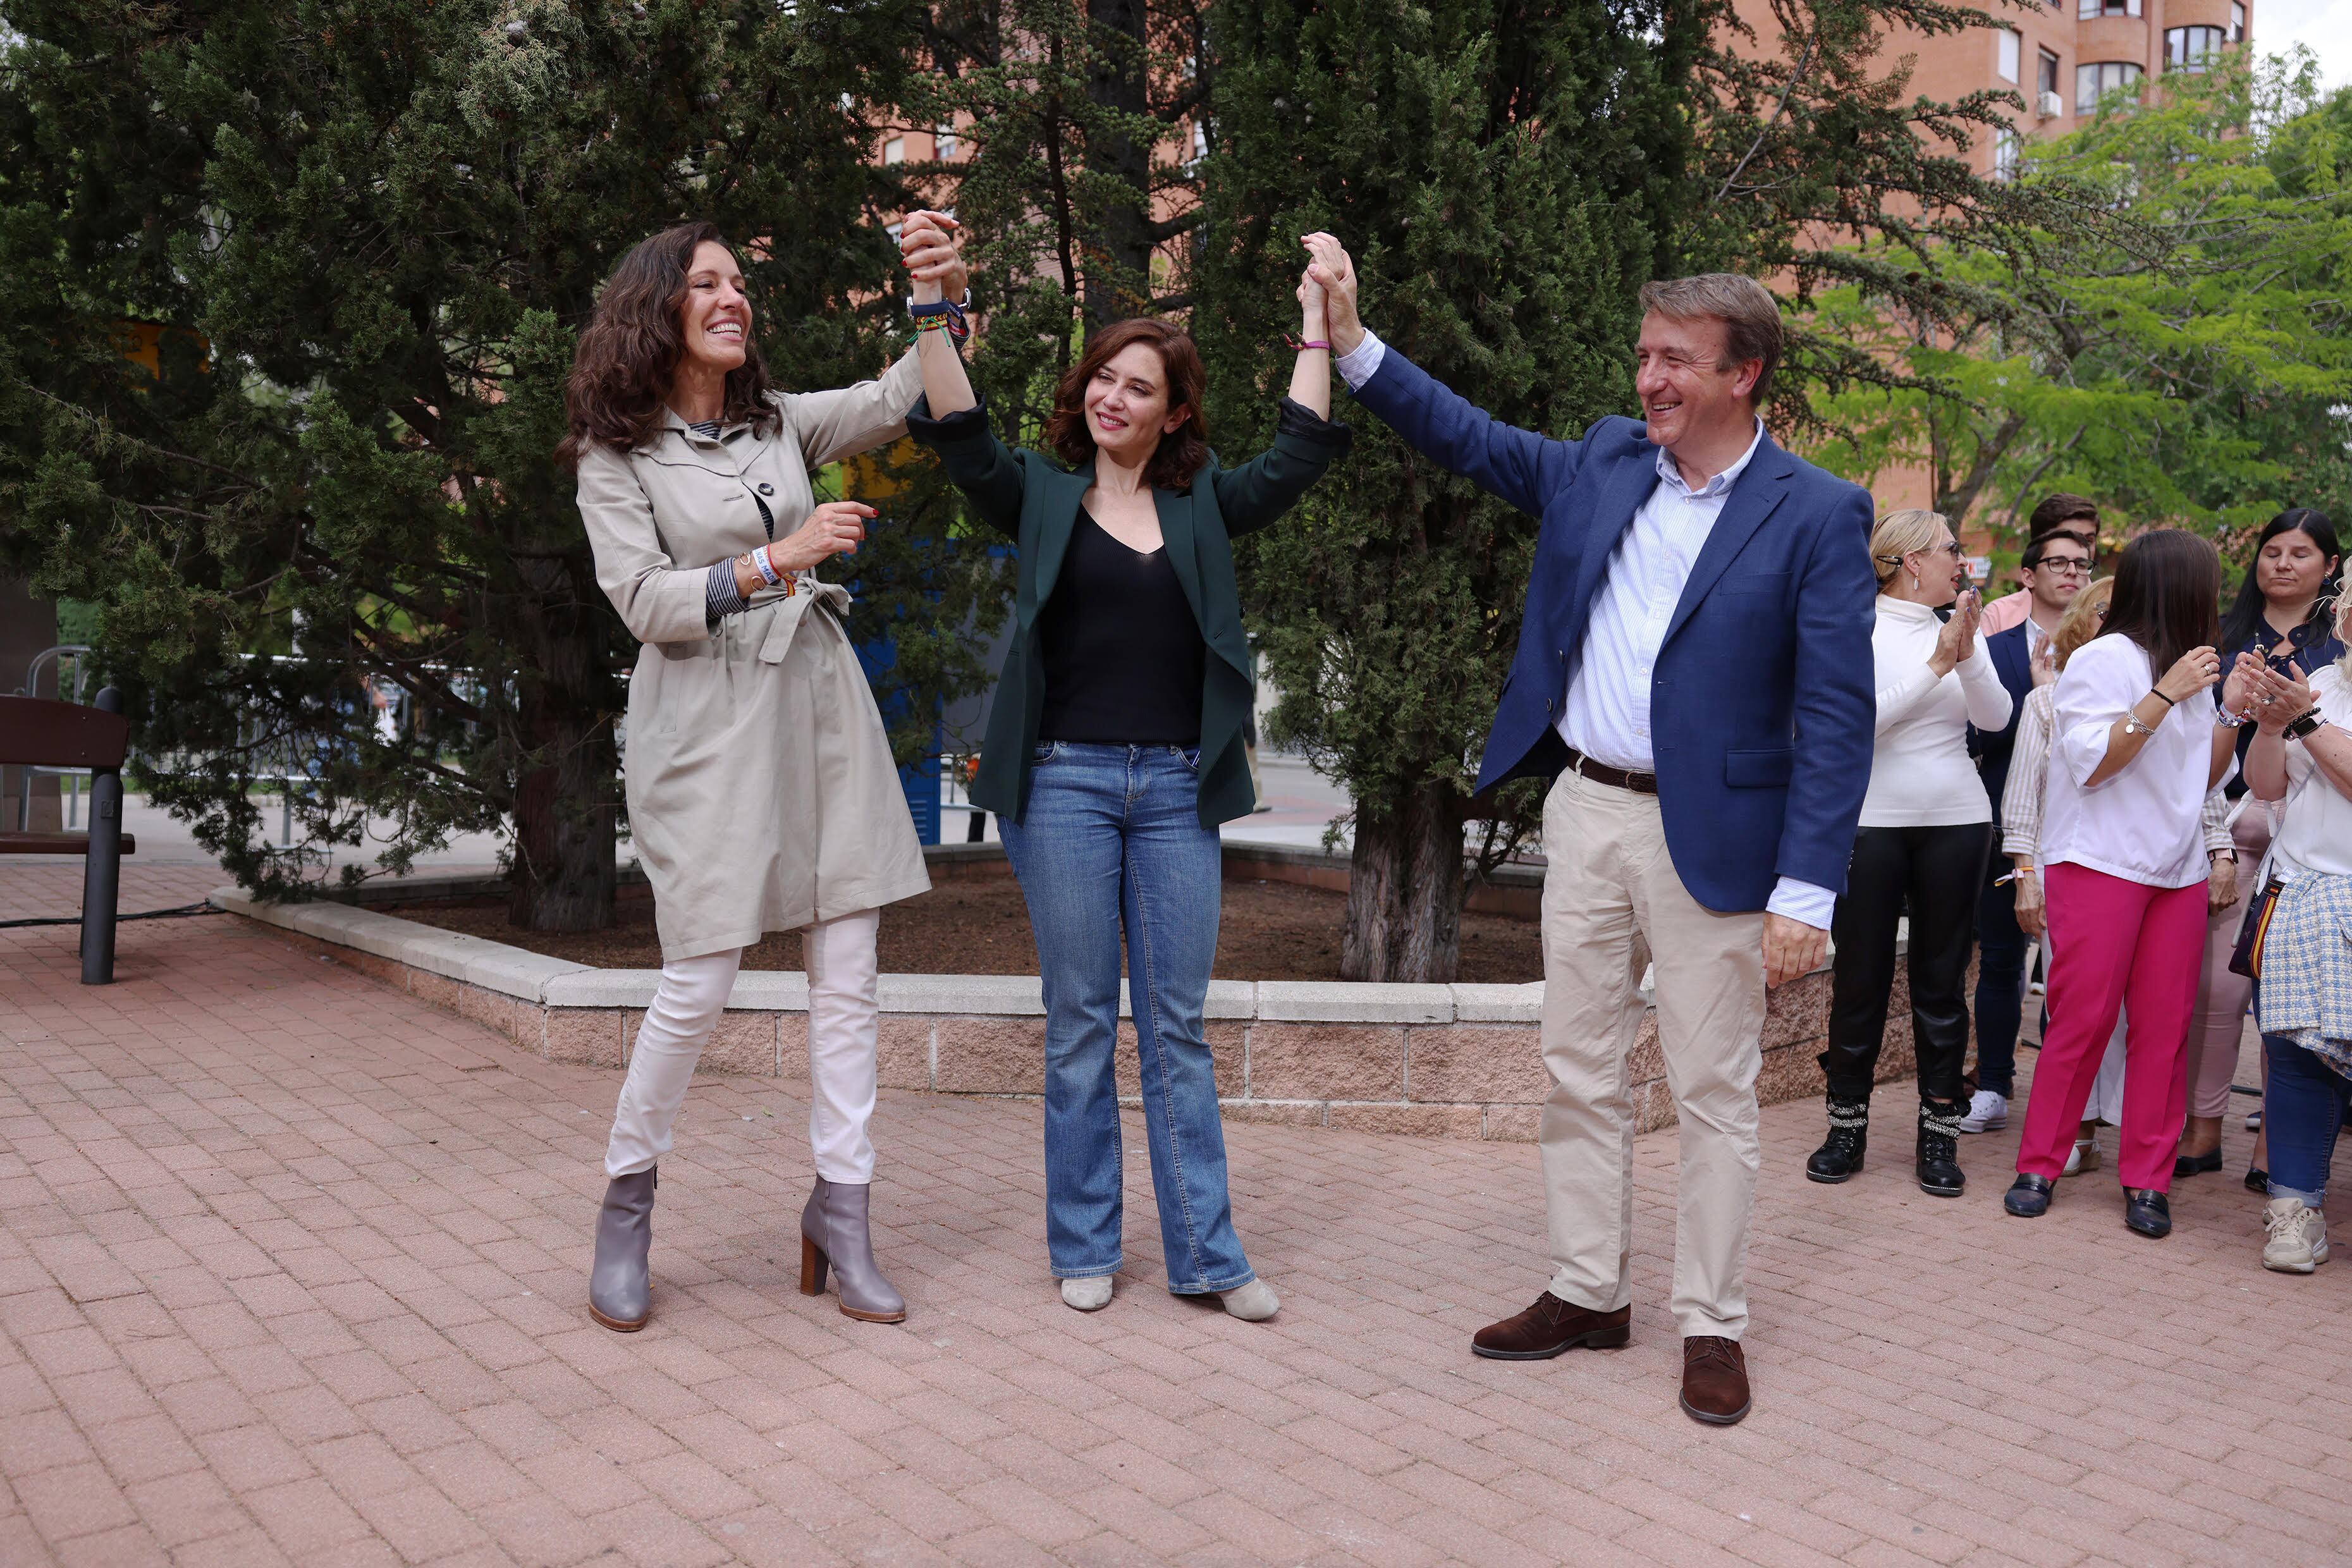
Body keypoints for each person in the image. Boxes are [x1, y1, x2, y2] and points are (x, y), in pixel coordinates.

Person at [1308, 242, 1877, 1428]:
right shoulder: (1611, 461)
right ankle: (1587, 1291)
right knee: (1578, 1068)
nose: (1650, 378)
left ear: (1744, 374)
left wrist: (1807, 890)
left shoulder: (1818, 512)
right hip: (1585, 807)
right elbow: (1468, 436)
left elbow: (1836, 717)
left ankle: (1711, 1322)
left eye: (1676, 359)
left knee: (1715, 1091)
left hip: (1715, 837)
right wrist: (1354, 340)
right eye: (1644, 354)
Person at [900, 217, 1347, 1321]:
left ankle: (1208, 1256)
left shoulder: (1204, 511)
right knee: (1083, 1021)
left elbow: (1297, 453)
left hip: (1175, 793)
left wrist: (1315, 329)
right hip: (1064, 789)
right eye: (1103, 378)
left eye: (1139, 386)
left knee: (1177, 1025)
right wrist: (930, 306)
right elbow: (959, 429)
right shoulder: (1043, 499)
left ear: (1173, 411)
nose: (1113, 397)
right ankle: (1084, 1242)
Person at [560, 215, 967, 1331]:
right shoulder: (617, 454)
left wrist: (940, 299)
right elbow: (642, 603)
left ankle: (844, 1209)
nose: (735, 297)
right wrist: (775, 559)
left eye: (741, 281)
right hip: (704, 726)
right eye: (710, 283)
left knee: (849, 969)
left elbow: (901, 396)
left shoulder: (781, 422)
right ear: (660, 310)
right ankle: (627, 1203)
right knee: (699, 976)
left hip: (817, 709)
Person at [2003, 531, 2262, 1238]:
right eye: (2208, 583)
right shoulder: (2101, 660)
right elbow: (2095, 763)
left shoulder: (2190, 668)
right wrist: (2162, 695)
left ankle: (2147, 1178)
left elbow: (2200, 779)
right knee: (2081, 1022)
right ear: (2175, 587)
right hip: (2097, 864)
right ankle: (2040, 1163)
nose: (2217, 597)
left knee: (2163, 1030)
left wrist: (2231, 710)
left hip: (2174, 872)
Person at [1808, 510, 2010, 1196]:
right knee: (1859, 981)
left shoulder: (1954, 631)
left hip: (1959, 820)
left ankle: (1938, 1137)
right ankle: (1845, 1130)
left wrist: (1968, 647)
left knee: (1942, 985)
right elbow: (1856, 721)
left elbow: (1996, 717)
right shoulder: (1854, 626)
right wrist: (1937, 662)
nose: (1963, 559)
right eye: (1951, 548)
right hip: (1870, 822)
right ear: (1911, 560)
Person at [2179, 510, 2343, 1182]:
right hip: (2227, 826)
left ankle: (2275, 1143)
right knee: (2215, 990)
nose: (2281, 563)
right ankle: (2203, 1124)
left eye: (2300, 552)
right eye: (2271, 551)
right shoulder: (2222, 637)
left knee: (2287, 1001)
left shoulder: (2338, 651)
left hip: (2315, 842)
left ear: (2330, 567)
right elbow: (2198, 755)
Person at [1960, 524, 2097, 1134]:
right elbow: (1978, 732)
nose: (2071, 573)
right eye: (2058, 563)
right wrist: (2039, 707)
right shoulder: (1998, 645)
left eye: (2082, 565)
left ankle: (2061, 1097)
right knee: (2001, 957)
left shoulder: (2107, 649)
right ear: (2029, 575)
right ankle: (1992, 1084)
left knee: (2069, 968)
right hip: (2004, 820)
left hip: (2087, 827)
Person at [2239, 601, 2352, 1272]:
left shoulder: (2315, 702)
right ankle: (2294, 1212)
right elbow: (2265, 784)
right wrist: (2271, 725)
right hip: (2299, 885)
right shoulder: (2319, 684)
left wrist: (2303, 720)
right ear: (2342, 616)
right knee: (2293, 1055)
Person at [1978, 494, 2099, 637]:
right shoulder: (2000, 615)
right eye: (2068, 538)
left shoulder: (2114, 610)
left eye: (2089, 540)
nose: (2081, 547)